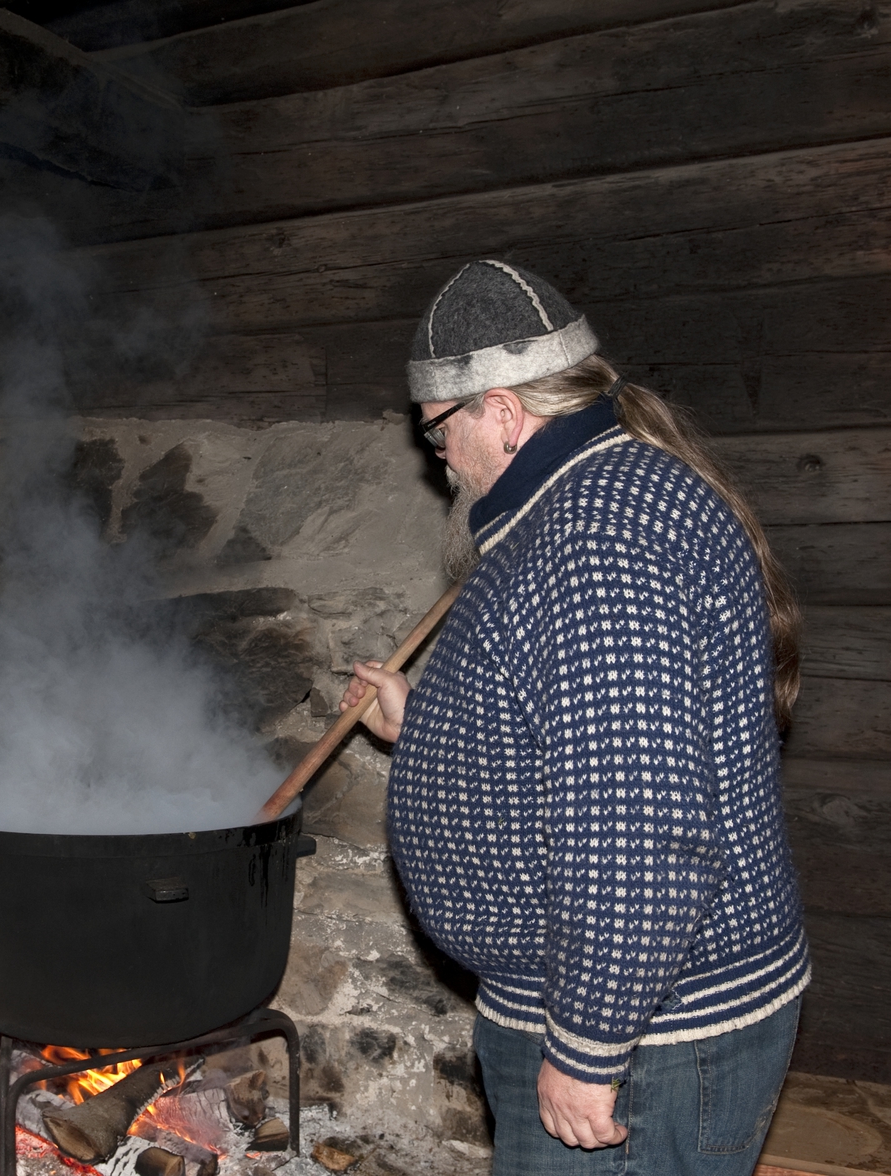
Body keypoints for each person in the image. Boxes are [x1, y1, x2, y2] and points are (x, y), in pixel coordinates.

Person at [340, 260, 809, 1174]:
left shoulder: (597, 543)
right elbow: (572, 732)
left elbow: (636, 825)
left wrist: (588, 1047)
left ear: (504, 414)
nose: (440, 462)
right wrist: (428, 726)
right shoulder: (593, 507)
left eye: (439, 435)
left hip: (647, 1044)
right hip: (630, 1018)